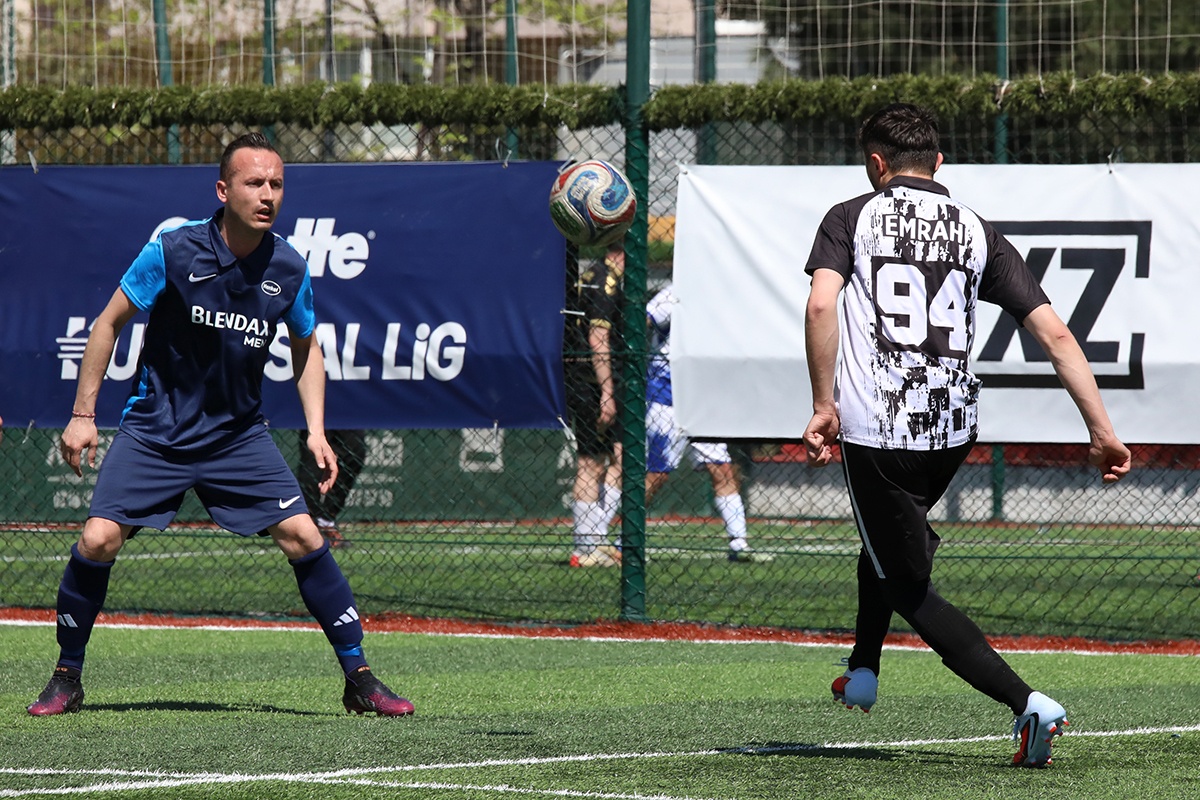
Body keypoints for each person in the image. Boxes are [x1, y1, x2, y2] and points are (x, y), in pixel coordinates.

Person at [28, 132, 413, 718]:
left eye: (276, 184)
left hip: (237, 438)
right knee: (98, 540)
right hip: (155, 433)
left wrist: (316, 430)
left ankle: (359, 678)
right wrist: (84, 415)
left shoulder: (289, 266)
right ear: (222, 190)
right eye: (254, 183)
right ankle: (66, 676)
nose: (267, 194)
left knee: (305, 536)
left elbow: (307, 347)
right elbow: (107, 324)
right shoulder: (173, 250)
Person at [801, 103, 1130, 767]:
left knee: (908, 586)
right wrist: (1102, 430)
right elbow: (1055, 333)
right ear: (939, 162)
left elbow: (820, 303)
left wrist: (822, 403)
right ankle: (863, 670)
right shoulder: (978, 230)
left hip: (878, 427)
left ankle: (1028, 703)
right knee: (887, 544)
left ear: (876, 163)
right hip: (951, 430)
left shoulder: (850, 216)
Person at [634, 283, 765, 562]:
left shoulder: (720, 292)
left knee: (722, 469)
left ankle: (739, 544)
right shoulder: (675, 292)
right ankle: (627, 541)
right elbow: (644, 320)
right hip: (666, 398)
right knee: (657, 474)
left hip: (702, 399)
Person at [563, 239, 625, 568]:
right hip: (590, 382)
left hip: (584, 378)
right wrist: (607, 391)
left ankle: (595, 539)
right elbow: (597, 338)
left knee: (617, 457)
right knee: (589, 463)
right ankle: (586, 546)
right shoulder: (606, 280)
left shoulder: (589, 274)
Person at [297, 428, 367, 547]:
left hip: (344, 417)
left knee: (355, 451)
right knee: (313, 464)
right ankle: (307, 526)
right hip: (313, 422)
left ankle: (326, 521)